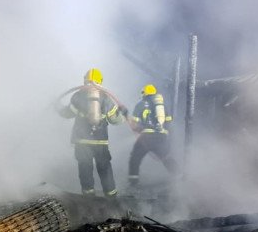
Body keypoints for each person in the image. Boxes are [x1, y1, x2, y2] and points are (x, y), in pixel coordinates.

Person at [59, 68, 126, 197]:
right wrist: (123, 116)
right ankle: (111, 197)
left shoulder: (78, 95)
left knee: (85, 168)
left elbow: (67, 113)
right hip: (100, 141)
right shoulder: (105, 97)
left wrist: (58, 108)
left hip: (82, 142)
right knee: (104, 167)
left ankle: (88, 198)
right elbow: (115, 120)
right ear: (100, 81)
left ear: (85, 80)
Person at [127, 84, 178, 188]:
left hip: (146, 138)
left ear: (144, 94)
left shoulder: (140, 104)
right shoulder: (162, 106)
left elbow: (134, 125)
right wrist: (166, 137)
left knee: (135, 158)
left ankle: (133, 184)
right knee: (166, 158)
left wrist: (138, 127)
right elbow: (168, 123)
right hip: (161, 137)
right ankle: (180, 178)